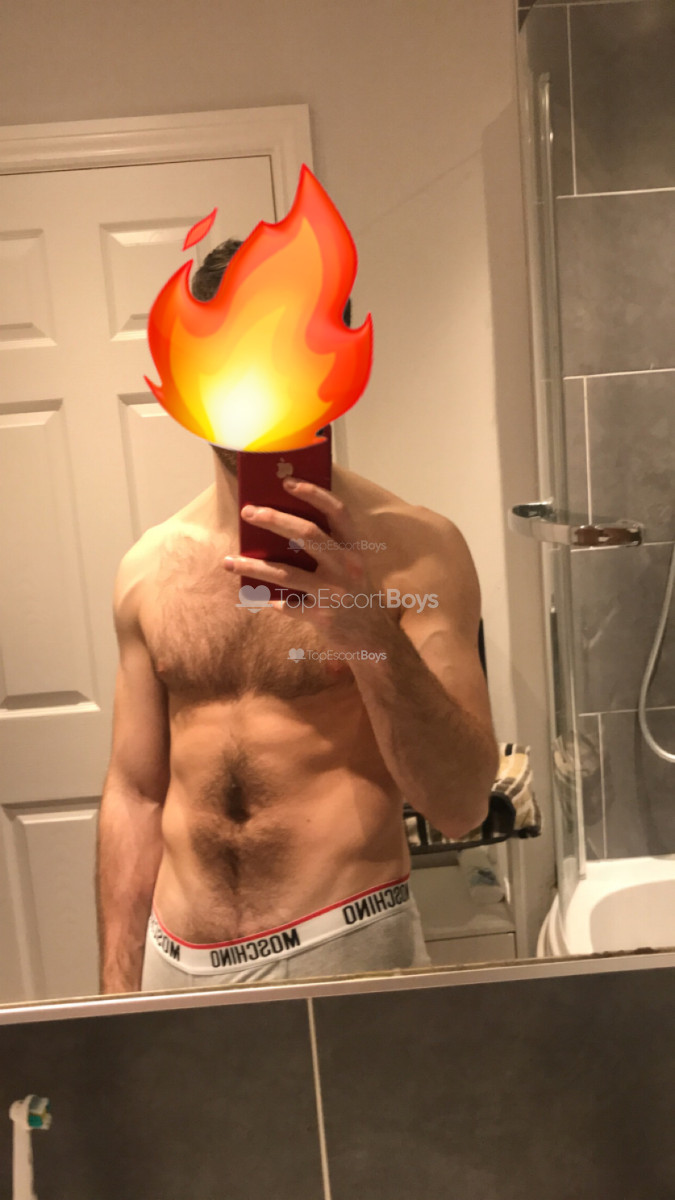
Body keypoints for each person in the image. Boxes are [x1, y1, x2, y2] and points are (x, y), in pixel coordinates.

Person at [96, 239, 499, 994]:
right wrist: (116, 997)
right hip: (176, 963)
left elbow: (460, 804)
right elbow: (136, 793)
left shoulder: (416, 552)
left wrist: (367, 632)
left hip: (345, 947)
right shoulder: (147, 567)